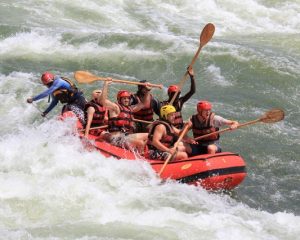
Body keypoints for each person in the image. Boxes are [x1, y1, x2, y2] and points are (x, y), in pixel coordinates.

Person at [99, 79, 149, 152]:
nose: (127, 100)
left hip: (127, 136)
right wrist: (106, 84)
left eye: (128, 98)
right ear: (119, 99)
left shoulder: (130, 109)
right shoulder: (115, 108)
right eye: (124, 98)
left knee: (149, 135)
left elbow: (144, 103)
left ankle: (139, 153)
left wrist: (147, 90)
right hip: (116, 138)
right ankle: (138, 156)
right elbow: (102, 101)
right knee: (140, 142)